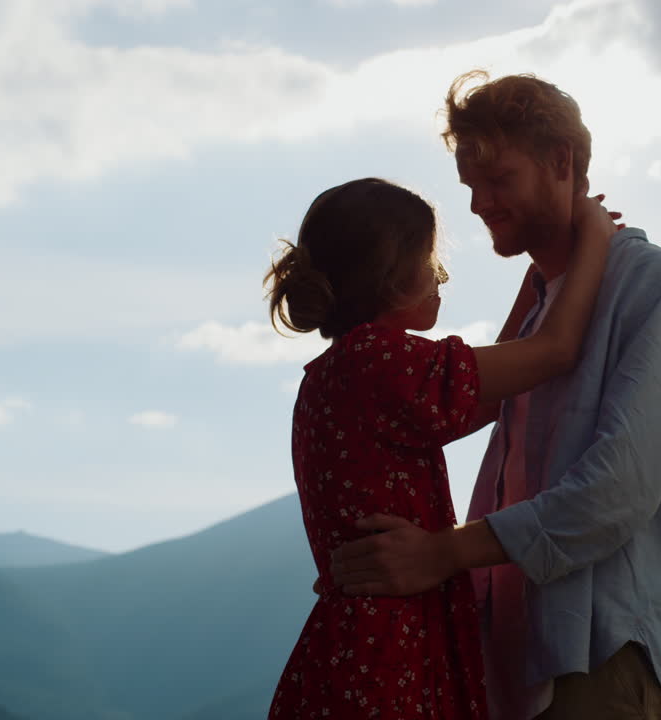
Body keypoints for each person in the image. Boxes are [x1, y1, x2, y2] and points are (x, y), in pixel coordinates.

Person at [328, 73, 661, 720]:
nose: (479, 204)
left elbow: (617, 491)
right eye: (470, 187)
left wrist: (441, 553)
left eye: (499, 180)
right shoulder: (547, 306)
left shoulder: (659, 288)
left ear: (561, 163)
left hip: (604, 660)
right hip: (515, 671)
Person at [265, 176, 620, 719]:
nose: (441, 278)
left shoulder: (340, 374)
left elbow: (488, 398)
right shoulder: (385, 362)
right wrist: (593, 238)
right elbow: (554, 351)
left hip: (360, 650)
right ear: (392, 276)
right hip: (390, 657)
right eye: (432, 263)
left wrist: (538, 279)